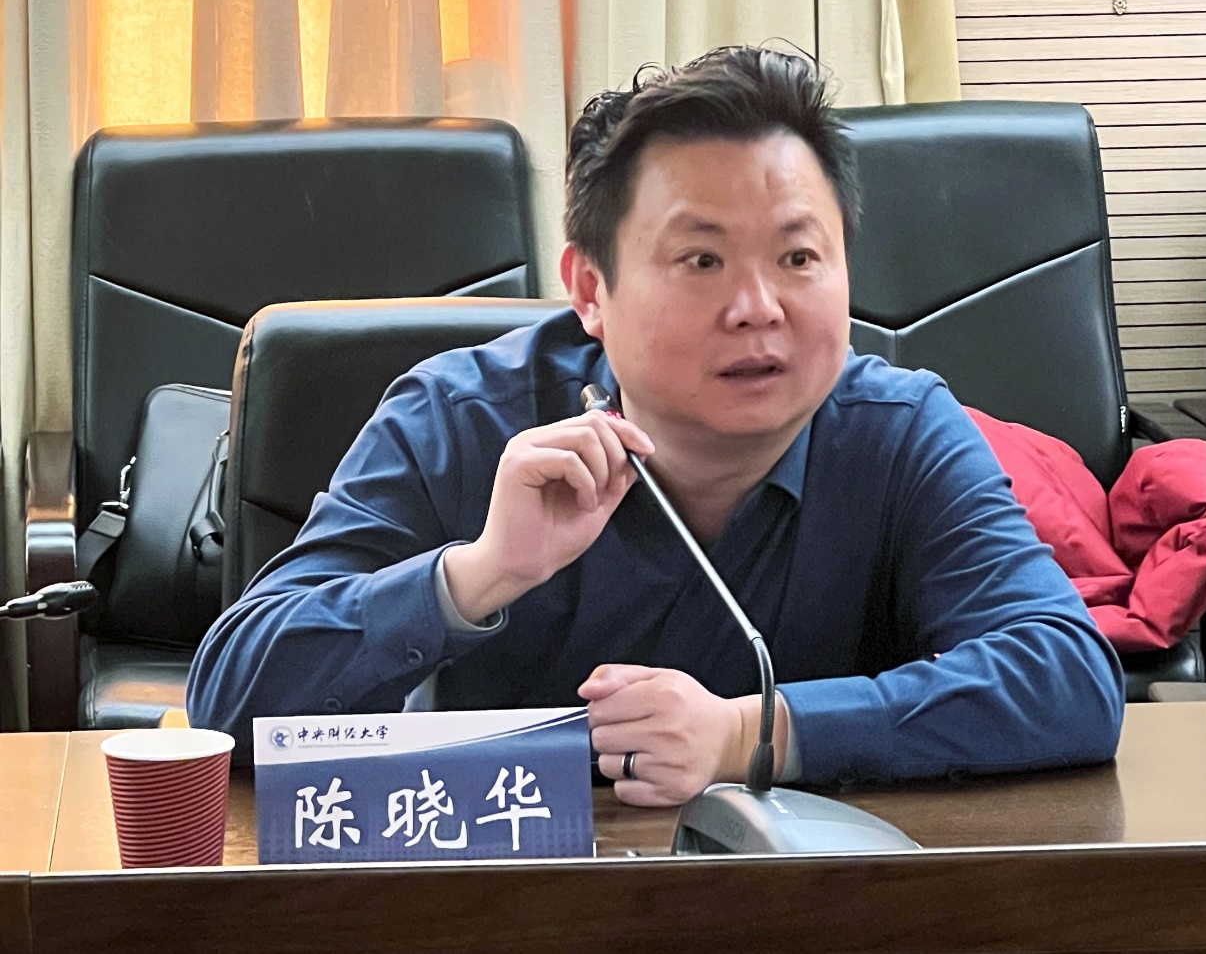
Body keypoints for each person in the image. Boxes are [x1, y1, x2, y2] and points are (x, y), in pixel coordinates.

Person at [187, 46, 1124, 806]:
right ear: (590, 289)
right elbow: (229, 703)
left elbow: (1065, 678)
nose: (758, 308)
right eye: (701, 260)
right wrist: (480, 573)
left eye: (798, 256)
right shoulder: (458, 419)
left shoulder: (899, 429)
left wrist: (751, 732)